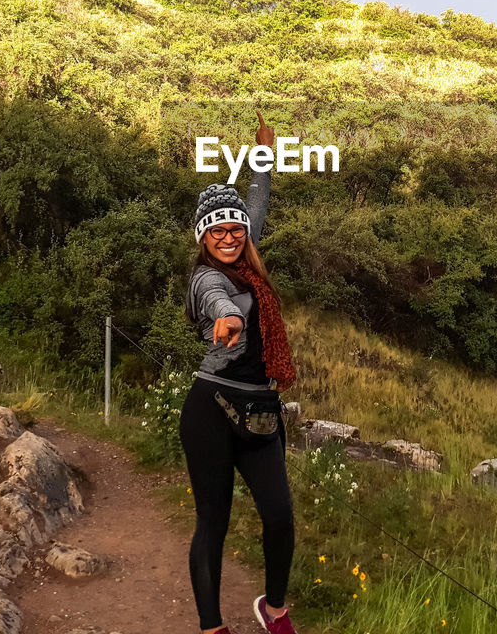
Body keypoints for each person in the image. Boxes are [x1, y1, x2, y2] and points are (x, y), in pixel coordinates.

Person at [180, 112, 299, 634]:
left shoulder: (248, 259)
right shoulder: (206, 280)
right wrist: (225, 319)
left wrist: (264, 153)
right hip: (212, 409)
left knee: (280, 518)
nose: (227, 236)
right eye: (216, 231)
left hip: (261, 410)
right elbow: (215, 301)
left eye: (233, 228)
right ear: (204, 239)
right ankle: (212, 627)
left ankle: (273, 609)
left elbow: (257, 201)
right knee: (214, 522)